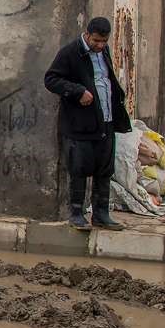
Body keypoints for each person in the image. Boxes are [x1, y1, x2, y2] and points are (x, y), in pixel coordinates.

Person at [44, 17, 131, 231]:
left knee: (104, 169)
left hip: (106, 121)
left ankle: (101, 214)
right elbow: (51, 80)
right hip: (80, 123)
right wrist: (78, 91)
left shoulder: (105, 52)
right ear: (87, 34)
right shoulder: (70, 52)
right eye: (96, 41)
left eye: (104, 41)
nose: (100, 46)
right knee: (79, 167)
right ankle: (76, 213)